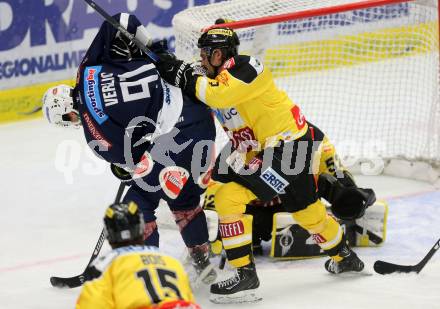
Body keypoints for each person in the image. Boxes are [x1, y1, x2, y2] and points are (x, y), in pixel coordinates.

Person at [155, 19, 373, 303]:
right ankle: (344, 257)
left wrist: (184, 74)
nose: (202, 58)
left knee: (226, 194)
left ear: (220, 54)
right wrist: (162, 59)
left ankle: (245, 274)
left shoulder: (249, 68)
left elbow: (218, 94)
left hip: (285, 151)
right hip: (276, 151)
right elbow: (195, 81)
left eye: (207, 52)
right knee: (306, 211)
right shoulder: (213, 76)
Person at [42, 13, 217, 284]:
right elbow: (123, 19)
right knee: (180, 194)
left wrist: (126, 169)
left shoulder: (94, 136)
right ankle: (203, 261)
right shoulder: (88, 67)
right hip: (197, 106)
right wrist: (156, 52)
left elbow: (139, 162)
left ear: (68, 116)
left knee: (138, 205)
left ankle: (154, 274)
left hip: (180, 135)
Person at [76, 202, 200, 309]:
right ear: (141, 229)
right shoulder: (171, 261)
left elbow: (92, 304)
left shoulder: (104, 265)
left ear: (109, 234)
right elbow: (187, 299)